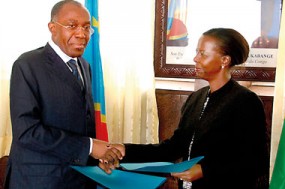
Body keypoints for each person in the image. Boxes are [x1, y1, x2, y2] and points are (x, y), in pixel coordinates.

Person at [112, 28, 269, 189]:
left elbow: (255, 163)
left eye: (203, 54)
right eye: (196, 52)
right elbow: (174, 147)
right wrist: (126, 150)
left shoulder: (246, 101)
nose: (195, 59)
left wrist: (205, 170)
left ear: (225, 60)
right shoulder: (196, 98)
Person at [6, 1, 124, 188]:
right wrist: (91, 148)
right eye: (72, 26)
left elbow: (83, 124)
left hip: (78, 176)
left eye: (87, 28)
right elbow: (27, 132)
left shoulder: (84, 66)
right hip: (39, 179)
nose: (81, 34)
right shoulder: (27, 65)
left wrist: (98, 156)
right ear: (52, 28)